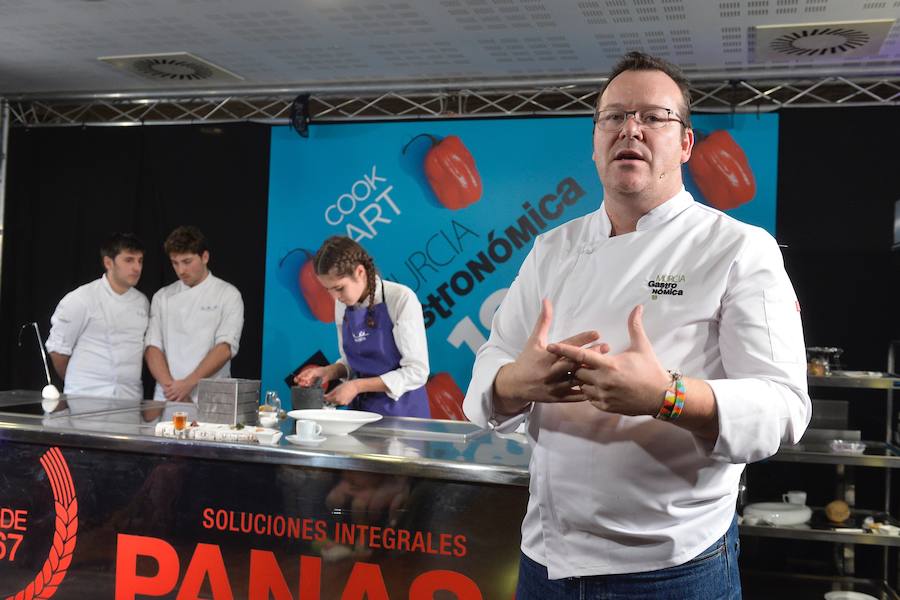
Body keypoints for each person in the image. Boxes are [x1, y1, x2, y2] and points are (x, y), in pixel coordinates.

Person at [463, 51, 811, 599]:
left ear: (686, 144)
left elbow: (785, 408)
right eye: (614, 116)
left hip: (672, 567)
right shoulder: (552, 248)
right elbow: (493, 364)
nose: (632, 128)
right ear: (596, 141)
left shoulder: (738, 248)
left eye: (654, 117)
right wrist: (515, 383)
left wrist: (665, 396)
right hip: (546, 558)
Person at [293, 236, 430, 417]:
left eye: (339, 288)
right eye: (329, 290)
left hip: (403, 416)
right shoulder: (341, 305)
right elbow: (351, 363)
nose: (335, 297)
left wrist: (357, 386)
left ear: (360, 272)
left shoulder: (400, 298)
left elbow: (417, 372)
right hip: (360, 415)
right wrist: (327, 372)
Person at [145, 226, 244, 403]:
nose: (181, 270)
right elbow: (152, 347)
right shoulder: (162, 296)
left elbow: (225, 347)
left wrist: (189, 383)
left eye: (187, 261)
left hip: (211, 398)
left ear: (205, 257)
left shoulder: (228, 294)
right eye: (175, 263)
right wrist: (174, 389)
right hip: (169, 396)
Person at [46, 233, 149, 399]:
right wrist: (78, 382)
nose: (137, 268)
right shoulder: (81, 299)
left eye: (140, 260)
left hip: (129, 398)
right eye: (129, 260)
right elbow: (58, 350)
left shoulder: (142, 302)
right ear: (108, 262)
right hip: (84, 397)